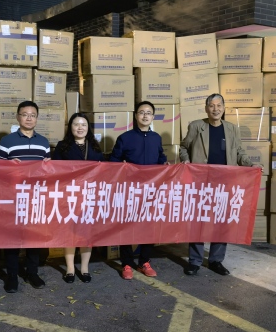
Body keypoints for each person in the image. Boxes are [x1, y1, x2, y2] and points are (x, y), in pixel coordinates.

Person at [180, 93, 262, 276]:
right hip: (201, 182)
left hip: (225, 182)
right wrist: (185, 160)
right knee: (198, 221)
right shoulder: (196, 126)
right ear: (206, 108)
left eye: (219, 105)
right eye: (211, 106)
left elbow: (239, 152)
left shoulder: (232, 129)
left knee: (221, 221)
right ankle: (195, 261)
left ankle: (216, 260)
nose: (215, 109)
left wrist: (251, 165)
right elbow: (184, 147)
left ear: (224, 108)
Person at [109, 101, 168, 280]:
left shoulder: (156, 138)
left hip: (151, 191)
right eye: (141, 112)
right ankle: (127, 263)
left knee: (149, 227)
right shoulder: (125, 138)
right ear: (136, 116)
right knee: (127, 226)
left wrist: (165, 165)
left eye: (148, 113)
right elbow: (113, 161)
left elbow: (161, 158)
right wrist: (120, 165)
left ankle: (144, 261)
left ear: (153, 117)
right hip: (130, 191)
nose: (145, 116)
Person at [0, 100, 50, 293]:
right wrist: (9, 167)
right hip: (13, 197)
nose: (29, 118)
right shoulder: (6, 142)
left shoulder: (43, 142)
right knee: (12, 238)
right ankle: (12, 275)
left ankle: (32, 272)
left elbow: (47, 172)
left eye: (32, 115)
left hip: (35, 197)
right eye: (25, 114)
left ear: (37, 118)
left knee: (33, 236)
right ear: (18, 116)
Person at [52, 112, 104, 283]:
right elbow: (55, 170)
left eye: (83, 124)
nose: (80, 128)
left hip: (90, 195)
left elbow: (104, 169)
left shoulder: (95, 146)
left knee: (86, 233)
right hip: (70, 195)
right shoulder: (63, 146)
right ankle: (70, 268)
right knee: (70, 232)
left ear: (88, 128)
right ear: (70, 127)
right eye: (76, 124)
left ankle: (85, 268)